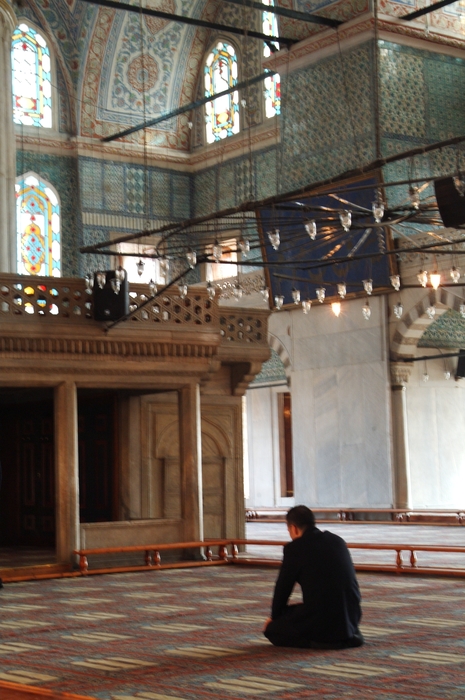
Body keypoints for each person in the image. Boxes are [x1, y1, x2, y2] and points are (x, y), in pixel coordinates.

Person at [263, 505, 364, 649]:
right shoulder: (337, 541)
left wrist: (275, 619)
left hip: (321, 619)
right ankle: (345, 636)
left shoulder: (295, 549)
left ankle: (318, 642)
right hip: (351, 615)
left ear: (293, 528)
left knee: (272, 631)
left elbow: (282, 589)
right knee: (305, 610)